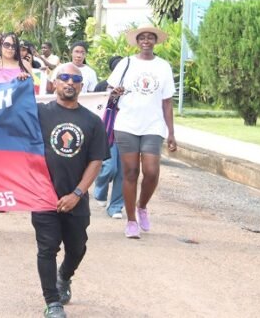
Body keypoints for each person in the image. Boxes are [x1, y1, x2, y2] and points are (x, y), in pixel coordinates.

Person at [33, 63, 107, 318]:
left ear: (81, 85)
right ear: (54, 83)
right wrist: (19, 83)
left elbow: (96, 161)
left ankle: (64, 276)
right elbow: (7, 112)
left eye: (75, 79)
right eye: (63, 77)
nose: (69, 82)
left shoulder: (92, 121)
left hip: (76, 197)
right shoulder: (38, 114)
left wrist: (77, 193)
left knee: (77, 248)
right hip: (43, 196)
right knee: (47, 248)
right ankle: (52, 301)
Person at [109, 24, 177, 239]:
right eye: (142, 38)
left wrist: (171, 133)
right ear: (137, 42)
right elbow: (111, 93)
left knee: (151, 171)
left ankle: (142, 206)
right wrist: (116, 93)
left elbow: (167, 102)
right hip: (127, 124)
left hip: (153, 126)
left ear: (155, 42)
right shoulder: (125, 63)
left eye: (150, 38)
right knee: (130, 172)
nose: (146, 41)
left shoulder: (163, 66)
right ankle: (130, 221)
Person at [93, 56, 125, 219]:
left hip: (128, 131)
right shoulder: (103, 85)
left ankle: (116, 206)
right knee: (110, 167)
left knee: (124, 172)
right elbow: (96, 106)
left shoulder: (134, 86)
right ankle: (100, 189)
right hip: (108, 130)